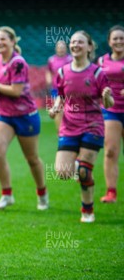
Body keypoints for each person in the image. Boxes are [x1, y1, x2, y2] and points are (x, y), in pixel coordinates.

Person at [0, 26, 48, 210]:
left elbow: (16, 91)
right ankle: (7, 194)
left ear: (13, 41)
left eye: (3, 39)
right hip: (3, 114)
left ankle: (42, 193)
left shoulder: (18, 63)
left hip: (25, 115)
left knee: (31, 158)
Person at [48, 30, 113, 222]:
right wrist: (55, 108)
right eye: (73, 42)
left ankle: (87, 210)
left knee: (84, 172)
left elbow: (109, 104)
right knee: (62, 172)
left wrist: (107, 96)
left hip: (92, 126)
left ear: (89, 47)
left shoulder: (97, 73)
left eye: (80, 42)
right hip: (69, 126)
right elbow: (60, 95)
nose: (76, 45)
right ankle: (77, 165)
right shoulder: (62, 72)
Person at [98, 25, 124, 203]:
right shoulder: (101, 62)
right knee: (110, 151)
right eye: (115, 38)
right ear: (109, 41)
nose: (119, 41)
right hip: (111, 110)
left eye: (122, 38)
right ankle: (111, 192)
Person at [45, 40, 72, 130]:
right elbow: (48, 71)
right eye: (59, 47)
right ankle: (60, 131)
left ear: (66, 48)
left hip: (69, 89)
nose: (61, 49)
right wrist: (48, 79)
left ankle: (70, 130)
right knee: (57, 110)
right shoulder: (51, 59)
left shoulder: (71, 59)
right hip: (56, 88)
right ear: (56, 49)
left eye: (63, 47)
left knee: (70, 110)